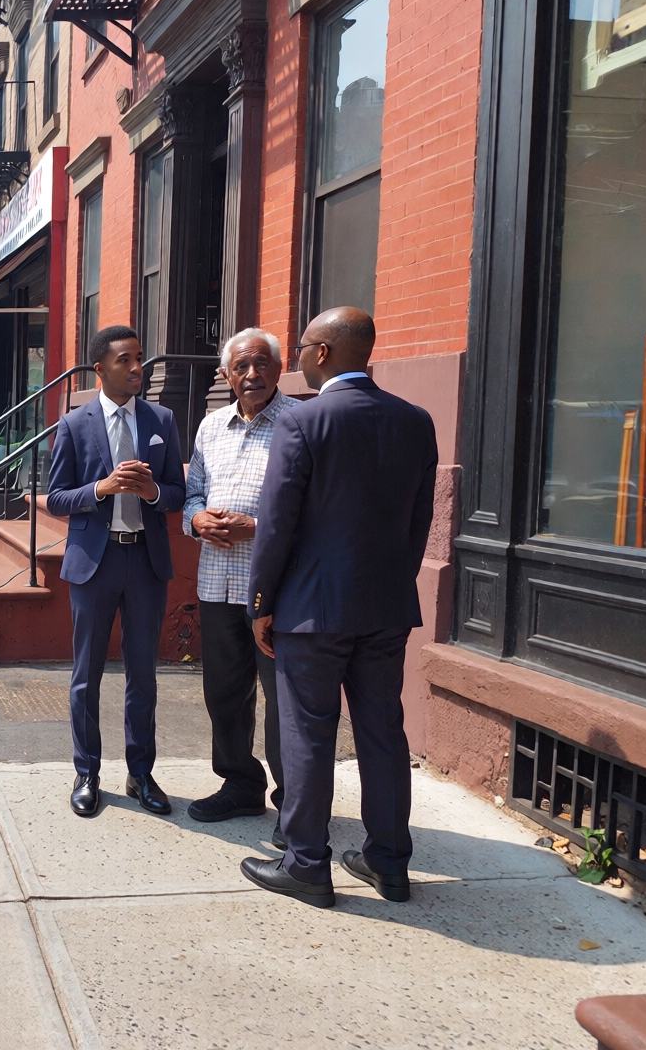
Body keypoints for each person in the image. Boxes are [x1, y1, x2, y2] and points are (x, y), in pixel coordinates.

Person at [240, 307, 437, 910]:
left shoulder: (303, 422)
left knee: (308, 734)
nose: (296, 356)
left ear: (323, 353)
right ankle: (388, 862)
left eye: (301, 347)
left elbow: (277, 524)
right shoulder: (415, 421)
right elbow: (419, 520)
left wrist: (261, 602)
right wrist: (393, 586)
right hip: (384, 607)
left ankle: (307, 865)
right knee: (383, 734)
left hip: (312, 611)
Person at [45, 325, 186, 820]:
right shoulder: (75, 424)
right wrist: (101, 488)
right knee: (86, 675)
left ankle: (141, 773)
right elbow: (57, 497)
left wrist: (152, 494)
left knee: (143, 673)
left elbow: (177, 493)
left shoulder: (162, 419)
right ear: (100, 369)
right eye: (125, 360)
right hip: (94, 563)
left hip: (146, 562)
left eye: (140, 358)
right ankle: (87, 772)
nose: (136, 368)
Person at [182, 328, 299, 831]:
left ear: (278, 367)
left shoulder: (301, 422)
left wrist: (257, 526)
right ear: (227, 375)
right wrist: (196, 520)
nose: (252, 375)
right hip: (217, 584)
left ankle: (294, 806)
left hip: (278, 589)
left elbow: (314, 506)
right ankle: (239, 785)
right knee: (224, 693)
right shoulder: (211, 426)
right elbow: (192, 494)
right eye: (241, 367)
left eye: (261, 364)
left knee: (284, 702)